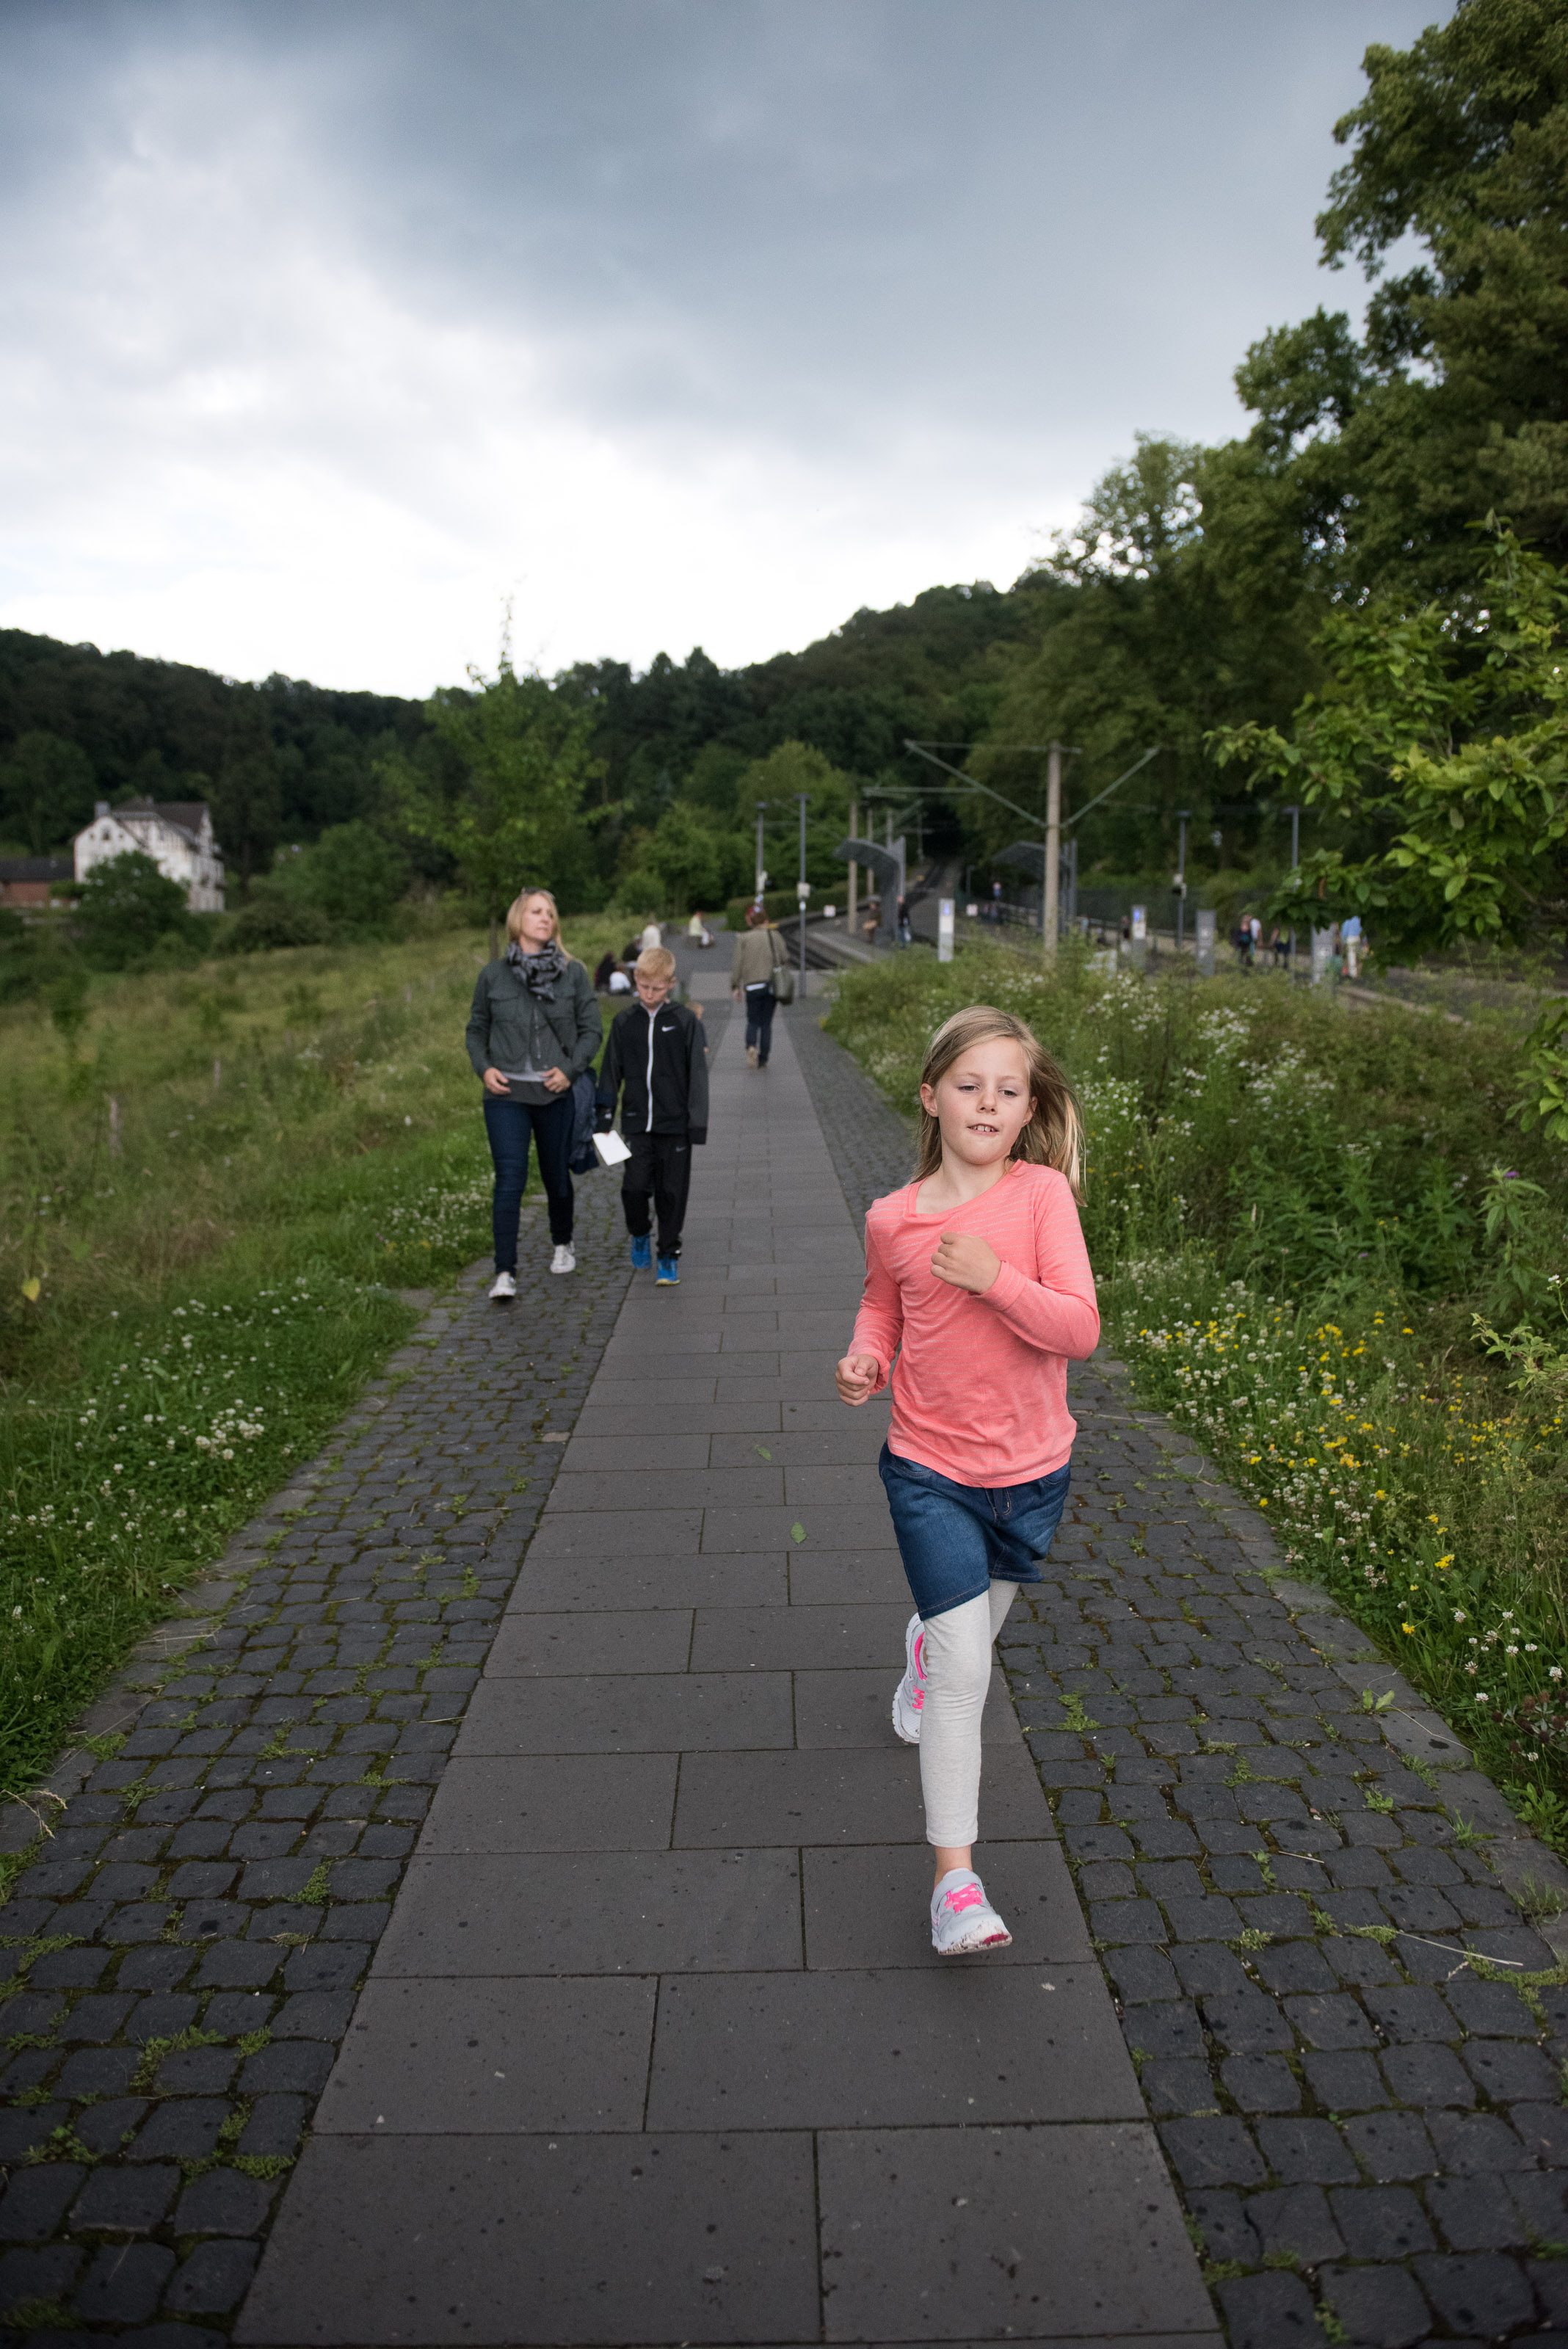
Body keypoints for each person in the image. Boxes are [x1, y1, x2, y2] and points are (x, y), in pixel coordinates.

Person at [835, 1005, 1099, 1956]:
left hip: (1032, 1472)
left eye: (1008, 1088)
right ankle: (957, 1884)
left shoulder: (1041, 1199)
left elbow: (1079, 1329)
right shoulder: (892, 1218)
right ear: (930, 1096)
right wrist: (867, 1357)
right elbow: (883, 1303)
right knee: (966, 1674)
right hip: (928, 1468)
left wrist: (995, 1278)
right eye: (969, 1084)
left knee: (961, 1643)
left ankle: (923, 1647)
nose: (988, 1102)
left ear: (1028, 1109)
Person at [465, 887, 601, 1299]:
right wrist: (484, 1068)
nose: (546, 919)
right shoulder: (493, 975)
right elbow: (476, 1029)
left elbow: (591, 1031)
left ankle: (563, 1242)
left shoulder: (573, 973)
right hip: (505, 1094)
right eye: (537, 912)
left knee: (555, 1174)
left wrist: (570, 1070)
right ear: (517, 919)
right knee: (510, 1178)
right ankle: (505, 1272)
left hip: (553, 1091)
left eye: (550, 913)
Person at [596, 945, 708, 1285]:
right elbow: (610, 1070)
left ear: (671, 984)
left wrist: (697, 1122)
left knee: (672, 1193)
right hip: (636, 1122)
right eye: (644, 987)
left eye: (657, 989)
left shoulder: (685, 1022)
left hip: (675, 1125)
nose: (649, 994)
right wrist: (604, 1116)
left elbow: (697, 1076)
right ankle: (640, 1232)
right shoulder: (624, 1022)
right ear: (636, 979)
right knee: (633, 1187)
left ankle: (668, 1255)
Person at [730, 901, 783, 1070]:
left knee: (752, 1020)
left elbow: (737, 964)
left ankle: (751, 1046)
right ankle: (763, 1059)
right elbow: (785, 957)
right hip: (771, 986)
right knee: (766, 1024)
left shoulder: (744, 939)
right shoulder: (774, 936)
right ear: (766, 920)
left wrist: (735, 986)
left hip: (752, 986)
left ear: (752, 921)